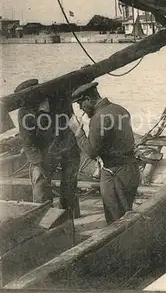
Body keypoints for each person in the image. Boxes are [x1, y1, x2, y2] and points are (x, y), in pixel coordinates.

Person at [68, 82, 140, 224]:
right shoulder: (120, 109)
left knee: (115, 221)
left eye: (81, 104)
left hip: (114, 174)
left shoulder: (98, 118)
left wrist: (78, 132)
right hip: (131, 169)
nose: (81, 109)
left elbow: (91, 152)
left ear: (88, 99)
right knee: (126, 213)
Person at [15, 79, 81, 216]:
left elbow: (70, 118)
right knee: (40, 185)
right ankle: (43, 217)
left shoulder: (59, 98)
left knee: (70, 183)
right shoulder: (25, 112)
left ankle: (69, 216)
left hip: (67, 145)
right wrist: (37, 164)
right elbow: (28, 142)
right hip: (45, 152)